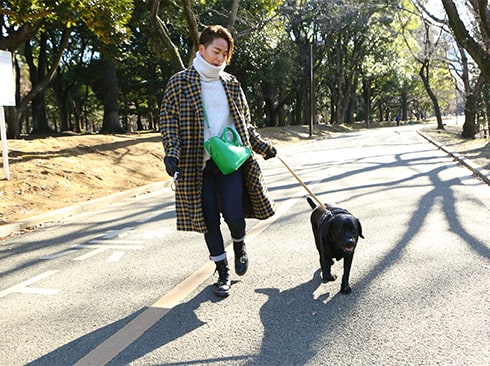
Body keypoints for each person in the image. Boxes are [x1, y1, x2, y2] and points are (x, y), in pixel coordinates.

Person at [160, 25, 277, 297]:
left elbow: (245, 123)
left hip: (230, 161)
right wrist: (171, 152)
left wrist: (261, 146)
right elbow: (169, 122)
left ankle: (239, 242)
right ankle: (222, 272)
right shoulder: (180, 82)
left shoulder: (231, 83)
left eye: (225, 53)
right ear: (201, 49)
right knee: (209, 220)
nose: (220, 58)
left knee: (235, 215)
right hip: (195, 165)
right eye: (216, 51)